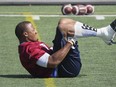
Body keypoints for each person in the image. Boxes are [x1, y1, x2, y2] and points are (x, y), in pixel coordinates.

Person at [15, 18, 116, 78]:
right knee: (63, 28)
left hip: (63, 65)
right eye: (33, 30)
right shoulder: (28, 50)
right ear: (26, 34)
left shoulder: (30, 45)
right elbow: (52, 62)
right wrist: (69, 42)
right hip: (65, 70)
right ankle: (103, 33)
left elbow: (50, 52)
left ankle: (103, 33)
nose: (36, 31)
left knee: (63, 21)